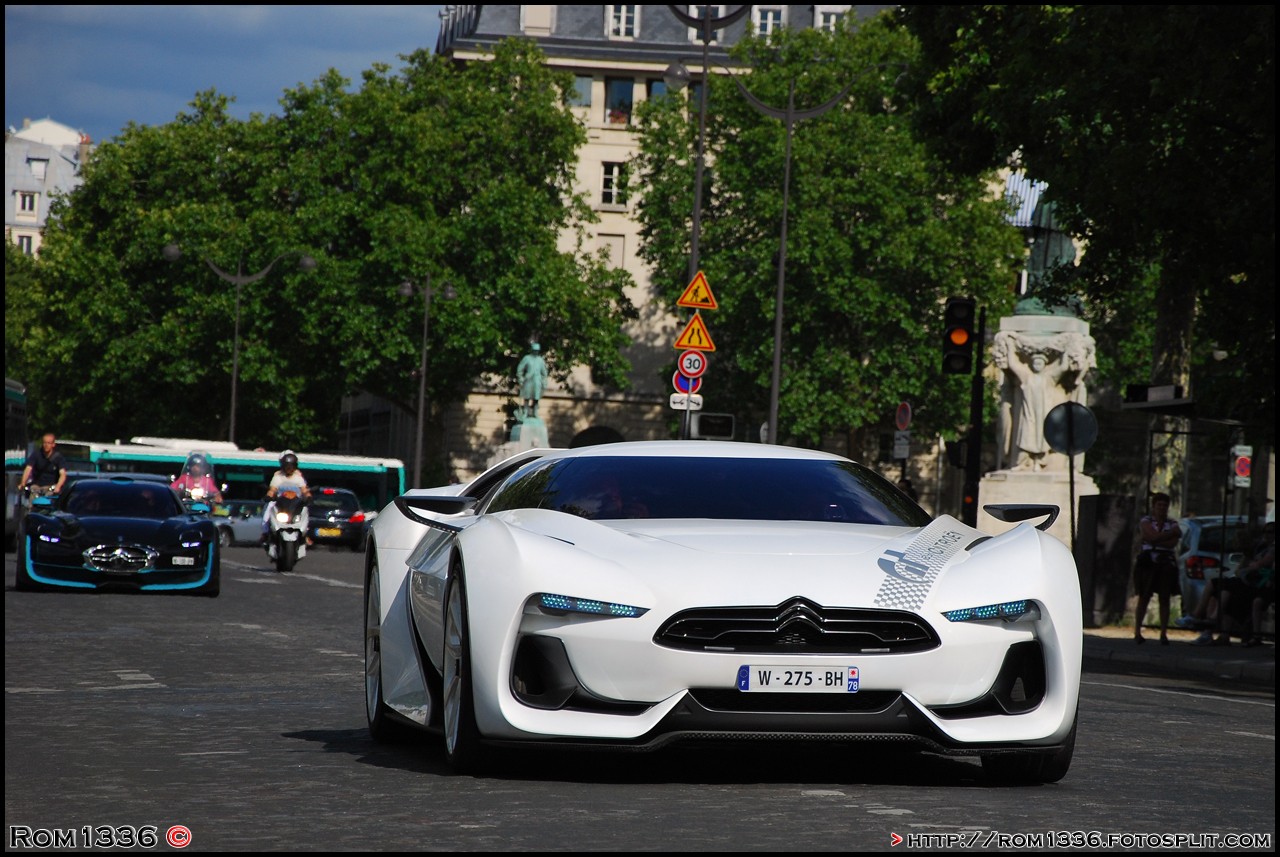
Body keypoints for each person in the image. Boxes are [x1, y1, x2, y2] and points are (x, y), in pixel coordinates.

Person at [1132, 492, 1181, 645]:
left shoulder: (1172, 523)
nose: (1162, 508)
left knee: (1164, 598)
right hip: (1148, 562)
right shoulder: (1147, 521)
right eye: (1159, 505)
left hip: (1165, 563)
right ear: (1153, 506)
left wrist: (1156, 539)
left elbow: (1172, 542)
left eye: (1164, 505)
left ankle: (1163, 633)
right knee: (1144, 596)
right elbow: (1150, 535)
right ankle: (1137, 631)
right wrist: (1166, 535)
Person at [262, 450, 311, 542]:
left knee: (305, 511)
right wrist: (269, 496)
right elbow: (272, 489)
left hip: (295, 503)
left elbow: (304, 490)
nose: (289, 469)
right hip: (280, 503)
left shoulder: (299, 477)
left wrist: (308, 497)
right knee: (268, 511)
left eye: (291, 466)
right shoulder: (277, 476)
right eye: (286, 466)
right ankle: (265, 533)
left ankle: (305, 534)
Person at [20, 432, 68, 496]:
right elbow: (28, 469)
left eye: (49, 443)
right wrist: (23, 483)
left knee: (49, 498)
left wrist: (58, 486)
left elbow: (63, 474)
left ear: (53, 444)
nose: (46, 445)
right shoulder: (36, 454)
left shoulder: (58, 458)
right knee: (33, 496)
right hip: (36, 486)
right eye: (44, 443)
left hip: (51, 487)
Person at [517, 343, 548, 418]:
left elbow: (544, 372)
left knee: (536, 398)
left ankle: (535, 412)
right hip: (528, 380)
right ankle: (525, 412)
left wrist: (544, 381)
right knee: (527, 397)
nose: (536, 352)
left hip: (537, 380)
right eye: (534, 350)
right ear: (532, 350)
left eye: (537, 351)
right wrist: (520, 378)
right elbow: (520, 369)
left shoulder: (540, 360)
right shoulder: (527, 358)